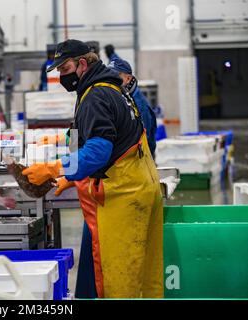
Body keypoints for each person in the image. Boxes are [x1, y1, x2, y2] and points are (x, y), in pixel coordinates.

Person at [23, 39, 163, 298]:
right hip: (143, 187)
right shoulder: (110, 88)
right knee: (146, 278)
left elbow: (99, 151)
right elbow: (110, 140)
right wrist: (75, 173)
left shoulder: (96, 95)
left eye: (64, 69)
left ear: (82, 64)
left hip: (124, 197)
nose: (61, 77)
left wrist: (55, 168)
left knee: (120, 281)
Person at [108, 58, 157, 157]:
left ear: (128, 79)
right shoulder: (115, 97)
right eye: (109, 75)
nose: (110, 79)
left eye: (115, 76)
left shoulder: (139, 105)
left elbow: (145, 141)